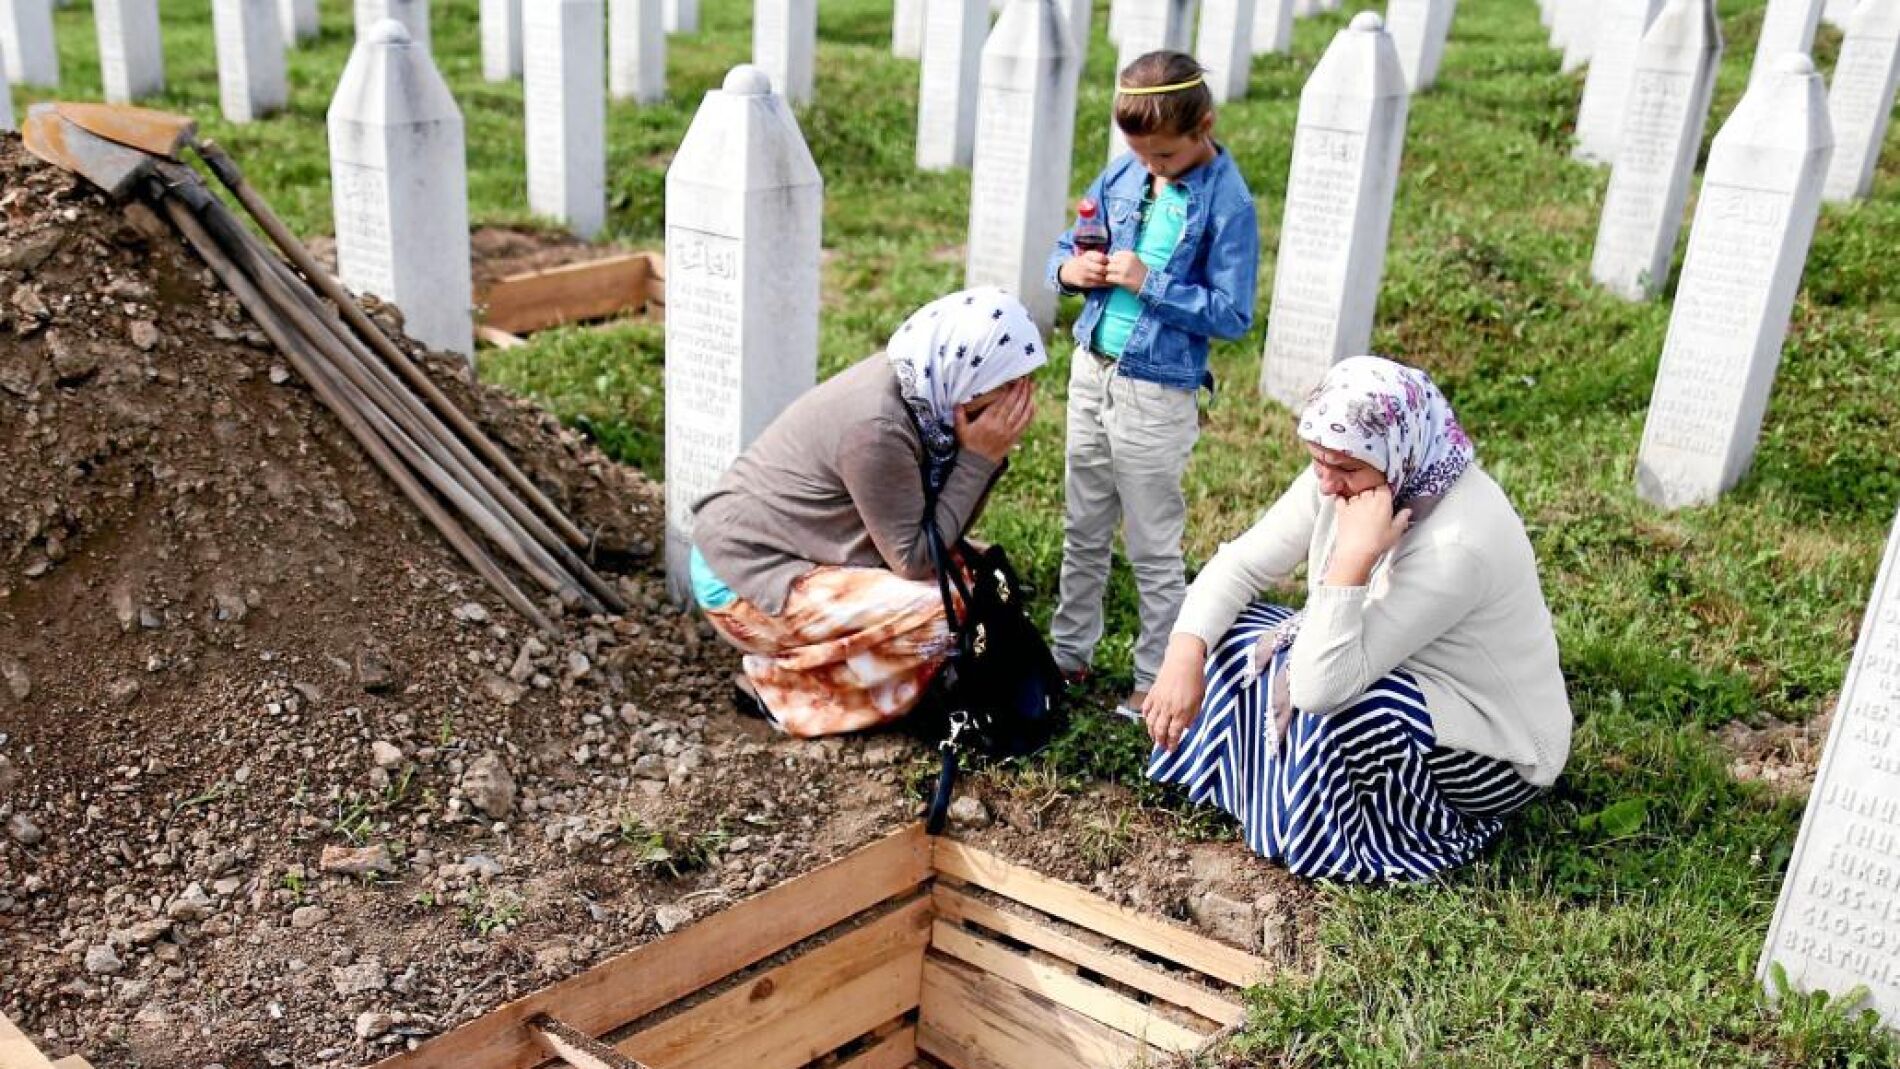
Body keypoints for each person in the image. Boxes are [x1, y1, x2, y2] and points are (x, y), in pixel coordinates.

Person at [1142, 357, 1572, 882]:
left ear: (1397, 453)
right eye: (1317, 460)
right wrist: (1185, 654)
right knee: (1235, 635)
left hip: (1491, 750)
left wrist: (1352, 559)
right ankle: (1260, 797)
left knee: (1342, 706)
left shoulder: (1458, 543)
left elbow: (1320, 688)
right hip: (1398, 666)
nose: (1326, 483)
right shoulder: (1353, 465)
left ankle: (1375, 836)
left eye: (1343, 470)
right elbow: (1241, 564)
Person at [688, 288, 1045, 737]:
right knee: (945, 613)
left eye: (1025, 381)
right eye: (1007, 385)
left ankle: (873, 669)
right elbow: (916, 559)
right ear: (963, 371)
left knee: (975, 573)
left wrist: (980, 458)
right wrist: (979, 460)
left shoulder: (922, 387)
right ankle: (780, 689)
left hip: (798, 546)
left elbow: (936, 534)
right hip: (742, 580)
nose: (1018, 401)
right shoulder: (879, 428)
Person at [1045, 50, 1260, 718]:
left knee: (1151, 543)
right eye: (1140, 153)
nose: (1152, 166)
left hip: (1155, 390)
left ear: (1204, 126)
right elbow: (1070, 245)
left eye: (1164, 154)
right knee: (1083, 525)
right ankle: (1068, 655)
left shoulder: (1228, 203)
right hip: (1092, 371)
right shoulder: (1126, 173)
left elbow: (1232, 313)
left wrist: (1149, 282)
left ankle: (1152, 674)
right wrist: (1070, 272)